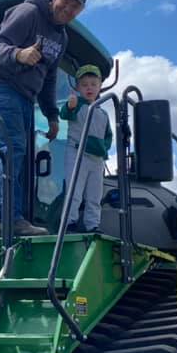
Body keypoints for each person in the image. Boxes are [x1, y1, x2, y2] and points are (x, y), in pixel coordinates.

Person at [0, 0, 89, 236]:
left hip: (27, 96)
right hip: (2, 85)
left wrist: (52, 114)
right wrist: (19, 54)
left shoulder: (61, 38)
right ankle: (8, 220)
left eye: (76, 7)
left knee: (22, 154)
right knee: (13, 148)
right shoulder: (28, 12)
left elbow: (49, 78)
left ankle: (13, 217)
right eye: (67, 1)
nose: (69, 9)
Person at [59, 64, 112, 233]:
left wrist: (103, 149)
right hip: (77, 153)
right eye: (84, 84)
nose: (89, 88)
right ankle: (69, 222)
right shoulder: (77, 105)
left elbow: (108, 136)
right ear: (78, 87)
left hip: (97, 159)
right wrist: (70, 105)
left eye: (93, 84)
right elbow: (64, 114)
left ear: (99, 87)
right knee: (74, 191)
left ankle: (92, 224)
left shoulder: (103, 113)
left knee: (95, 196)